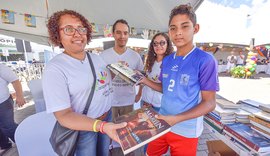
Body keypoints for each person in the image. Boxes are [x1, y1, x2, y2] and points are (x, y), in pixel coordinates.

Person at [43, 10, 126, 156]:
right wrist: (101, 126)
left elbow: (102, 80)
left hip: (106, 118)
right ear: (57, 34)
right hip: (84, 128)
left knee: (104, 153)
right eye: (69, 29)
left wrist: (120, 71)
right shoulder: (55, 68)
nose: (77, 34)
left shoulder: (95, 58)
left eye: (81, 29)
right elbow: (63, 115)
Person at [139, 4, 219, 156]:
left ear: (195, 29)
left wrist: (176, 119)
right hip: (161, 123)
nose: (178, 33)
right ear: (169, 31)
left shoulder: (206, 60)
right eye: (173, 28)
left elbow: (210, 103)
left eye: (184, 26)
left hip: (186, 130)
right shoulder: (168, 60)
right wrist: (144, 80)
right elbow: (165, 88)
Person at [100, 19, 144, 156]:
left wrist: (139, 93)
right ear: (113, 34)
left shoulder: (135, 56)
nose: (122, 36)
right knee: (109, 134)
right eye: (118, 32)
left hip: (128, 101)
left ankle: (128, 153)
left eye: (125, 33)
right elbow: (99, 80)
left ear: (129, 35)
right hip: (109, 101)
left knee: (127, 134)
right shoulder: (103, 55)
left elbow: (141, 78)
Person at [135, 33, 173, 112]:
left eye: (162, 43)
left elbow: (164, 88)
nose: (158, 46)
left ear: (168, 44)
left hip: (158, 106)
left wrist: (145, 80)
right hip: (144, 102)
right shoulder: (150, 61)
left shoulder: (171, 63)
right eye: (155, 43)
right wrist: (139, 94)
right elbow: (144, 79)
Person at [0, 64, 25, 152]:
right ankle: (5, 144)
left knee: (8, 126)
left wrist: (20, 96)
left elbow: (15, 81)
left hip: (3, 102)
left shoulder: (1, 67)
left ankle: (25, 143)